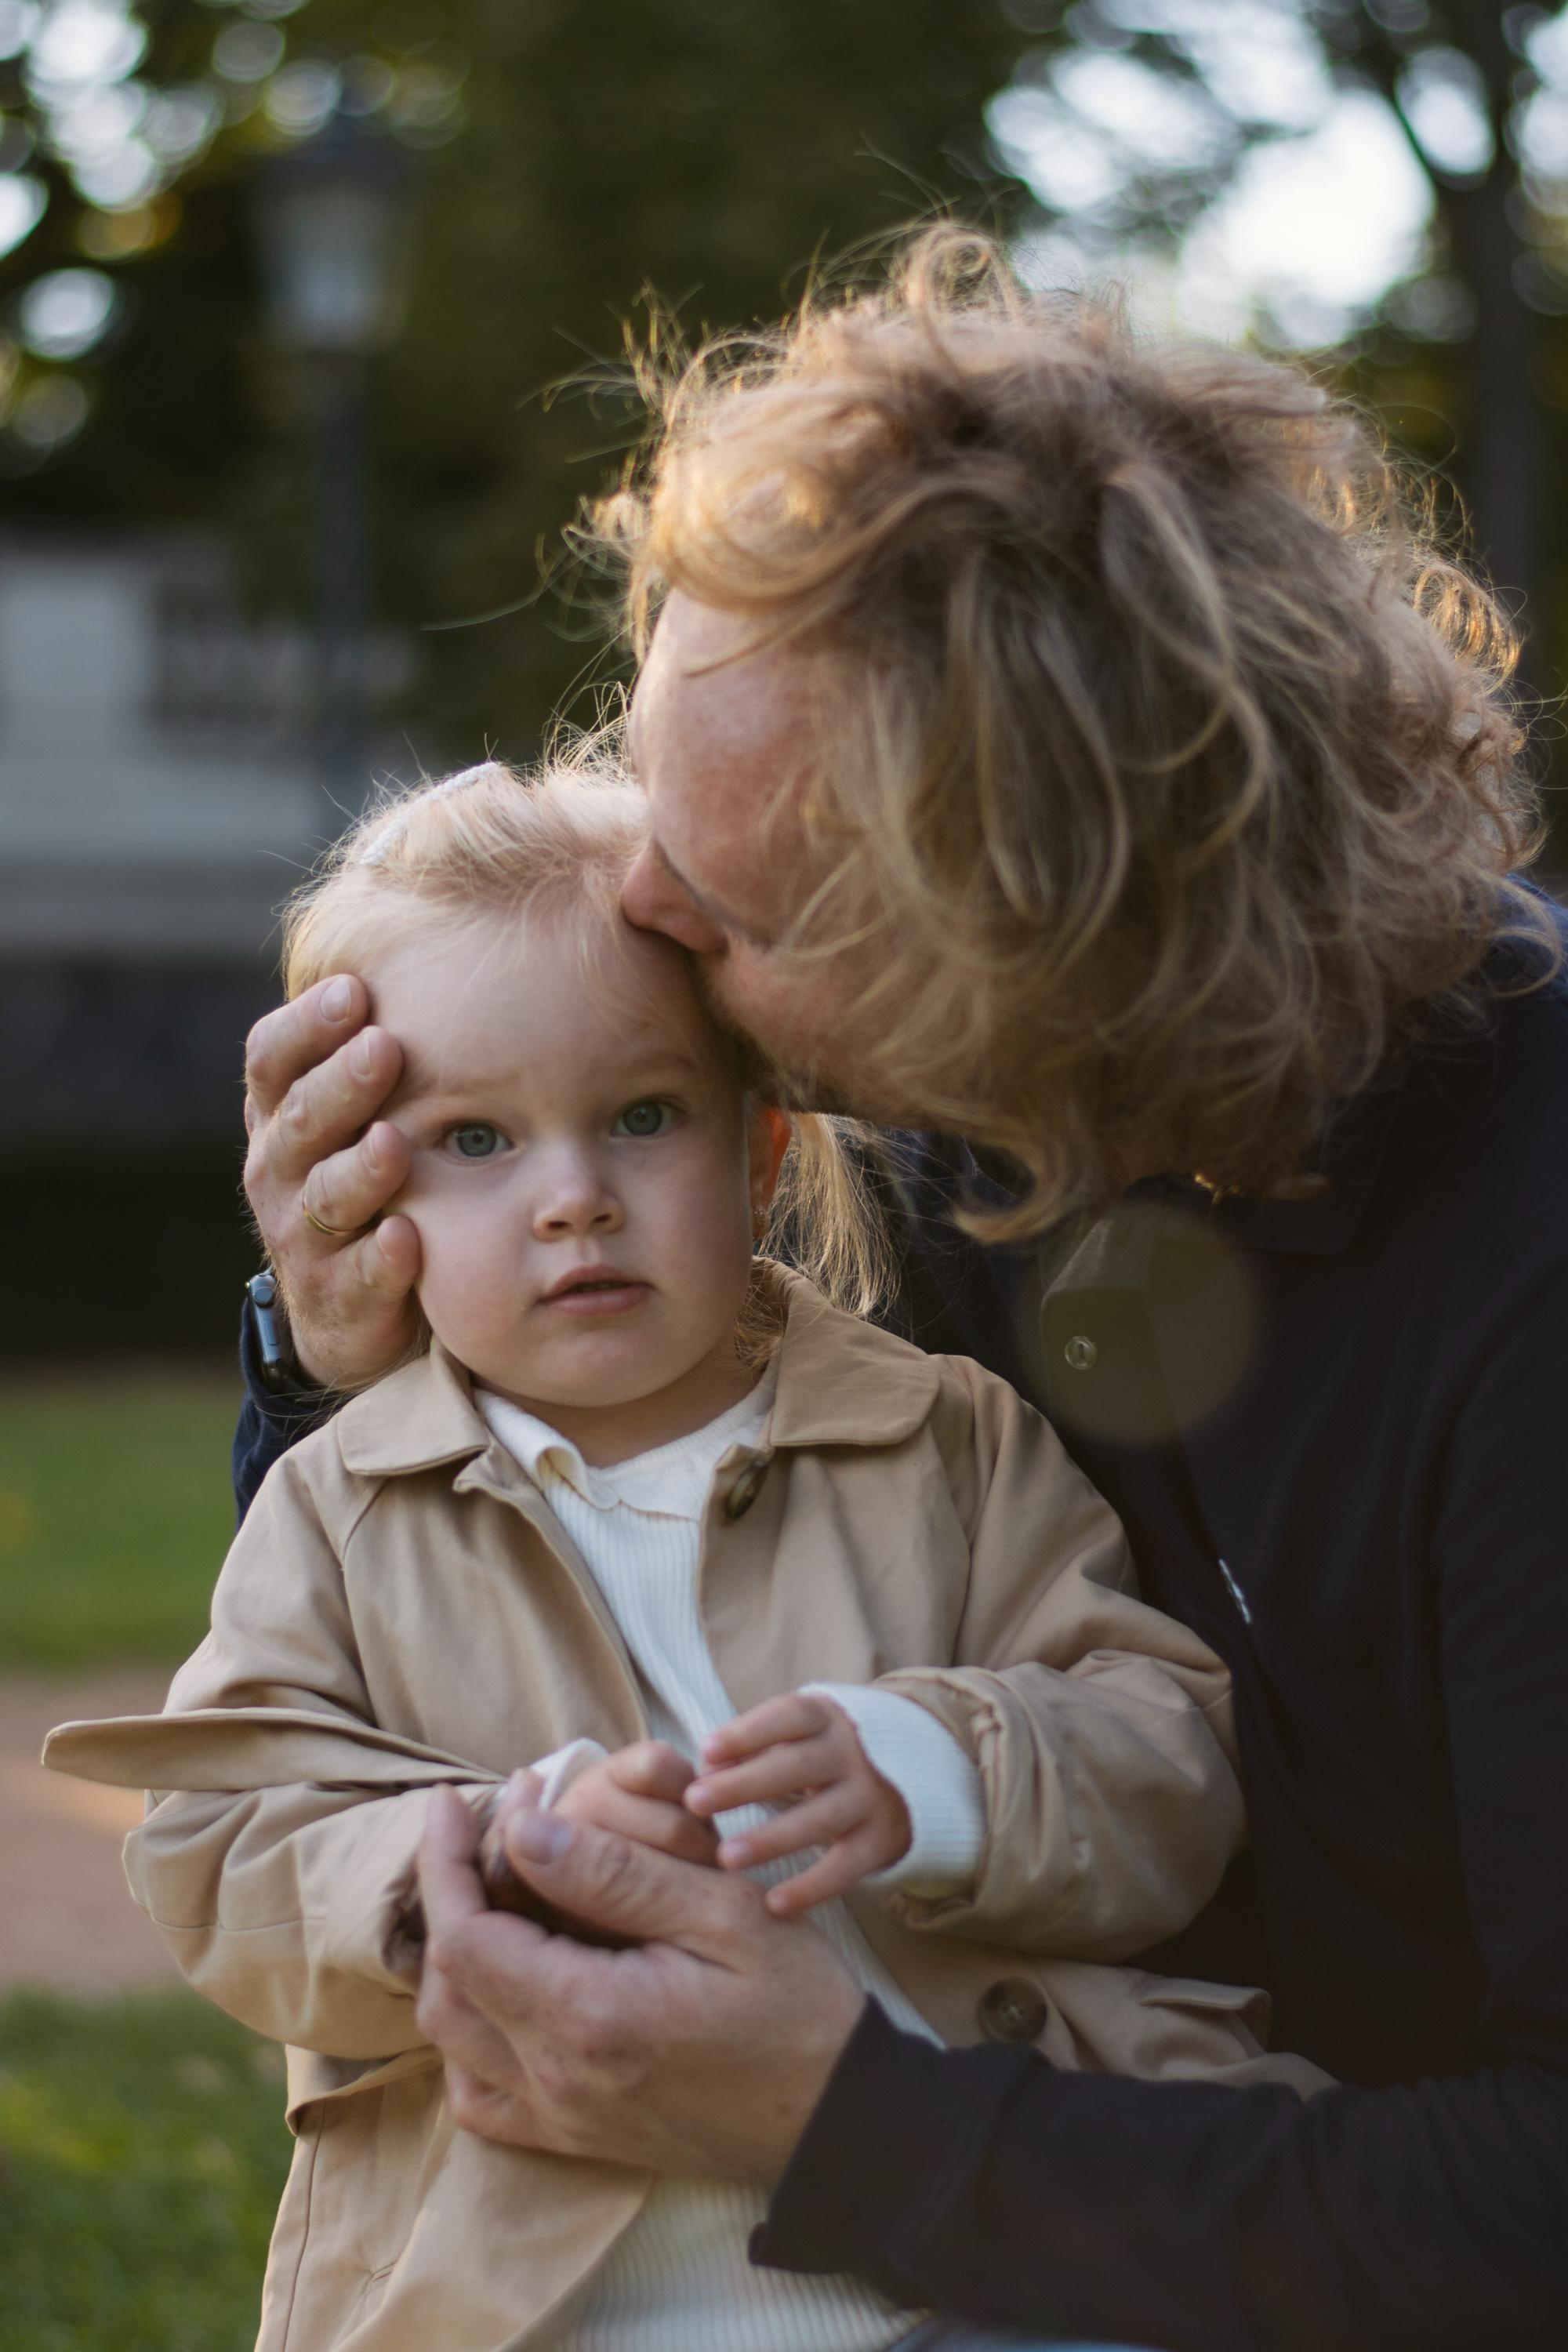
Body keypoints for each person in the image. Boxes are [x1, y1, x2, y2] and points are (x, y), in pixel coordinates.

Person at [230, 232, 1568, 2350]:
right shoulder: (961, 1122)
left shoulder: (1527, 1282)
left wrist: (843, 2120)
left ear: (1030, 938)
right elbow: (383, 1694)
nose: (641, 902)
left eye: (735, 900)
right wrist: (345, 1361)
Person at [48, 759, 1323, 2352]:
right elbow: (219, 1845)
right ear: (364, 1195)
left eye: (641, 1117)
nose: (573, 1199)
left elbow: (1170, 1758)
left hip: (972, 2263)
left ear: (763, 1153)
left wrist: (930, 1765)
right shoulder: (344, 1504)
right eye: (473, 1141)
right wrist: (461, 1864)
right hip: (530, 2290)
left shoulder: (947, 1439)